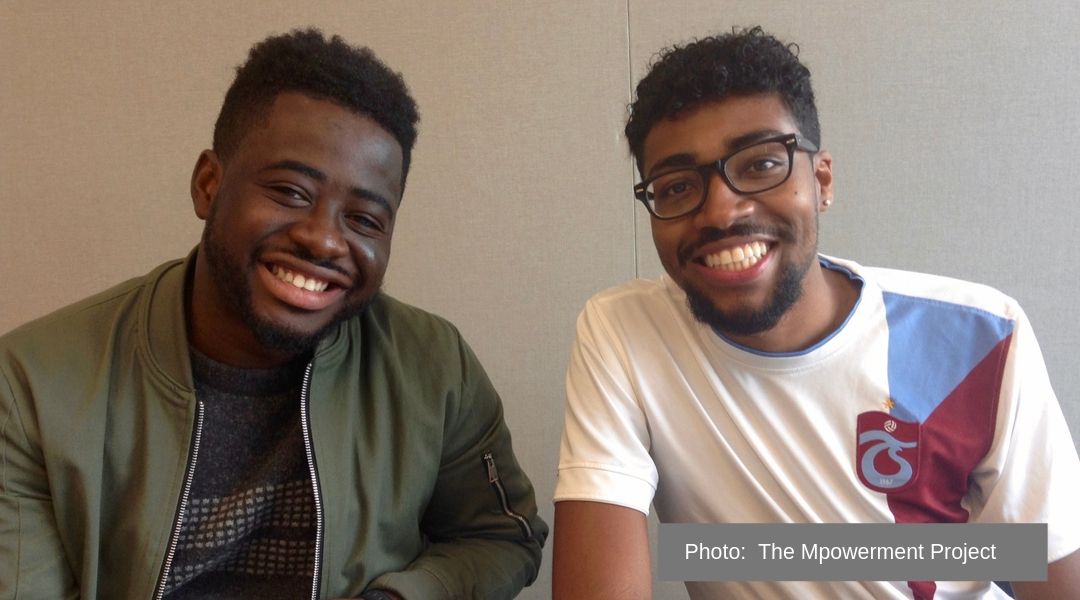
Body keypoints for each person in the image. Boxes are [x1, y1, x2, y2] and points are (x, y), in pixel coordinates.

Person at [0, 29, 546, 600]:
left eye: (364, 220)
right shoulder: (31, 386)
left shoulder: (435, 367)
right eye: (290, 191)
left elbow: (500, 537)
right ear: (209, 185)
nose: (324, 241)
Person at [552, 26, 1080, 599]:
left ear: (821, 179)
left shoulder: (980, 336)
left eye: (760, 164)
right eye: (677, 186)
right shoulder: (624, 333)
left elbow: (1047, 576)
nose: (721, 211)